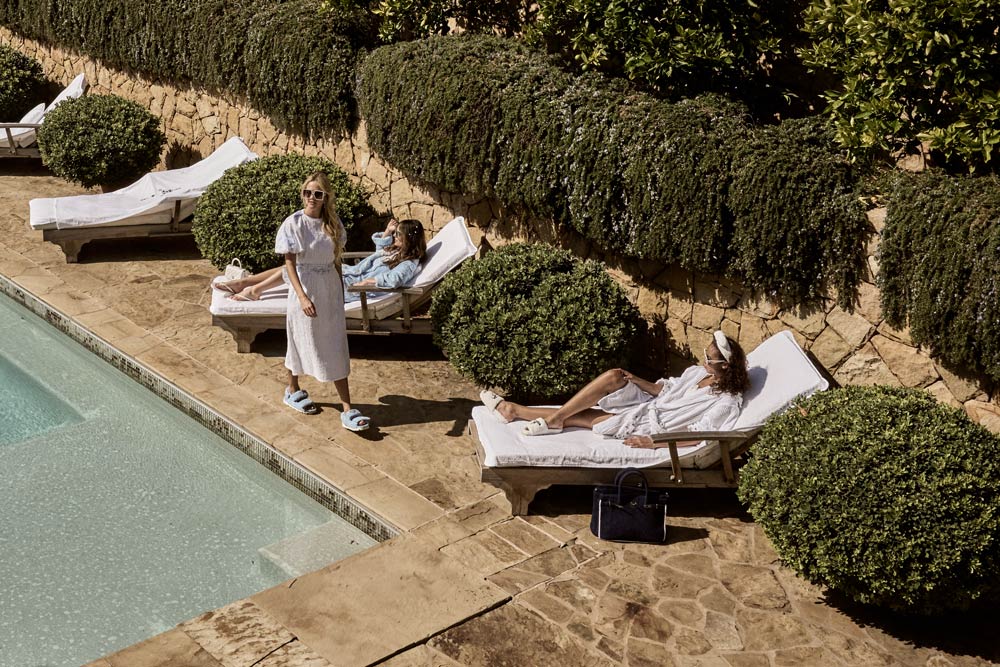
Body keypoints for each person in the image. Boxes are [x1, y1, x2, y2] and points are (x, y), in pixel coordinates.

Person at [480, 331, 750, 448]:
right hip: (651, 403)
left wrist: (652, 441)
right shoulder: (698, 373)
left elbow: (700, 432)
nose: (704, 360)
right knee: (614, 376)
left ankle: (513, 410)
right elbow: (665, 390)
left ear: (726, 366)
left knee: (585, 417)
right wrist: (636, 380)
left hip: (656, 423)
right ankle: (548, 417)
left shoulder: (726, 401)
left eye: (709, 358)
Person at [270, 171, 369, 430]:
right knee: (298, 339)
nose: (311, 198)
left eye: (317, 194)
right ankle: (292, 389)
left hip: (329, 290)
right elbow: (289, 264)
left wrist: (340, 293)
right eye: (307, 193)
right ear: (302, 194)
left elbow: (336, 261)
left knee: (335, 344)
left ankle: (347, 408)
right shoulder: (293, 224)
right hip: (305, 288)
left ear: (326, 197)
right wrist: (302, 297)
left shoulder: (333, 224)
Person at [216, 218, 427, 302]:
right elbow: (380, 250)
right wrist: (387, 232)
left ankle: (254, 290)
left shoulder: (409, 264)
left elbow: (393, 280)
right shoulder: (395, 251)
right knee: (294, 265)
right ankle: (246, 283)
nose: (395, 237)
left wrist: (368, 282)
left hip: (350, 288)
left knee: (299, 268)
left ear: (409, 239)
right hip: (345, 276)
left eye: (398, 235)